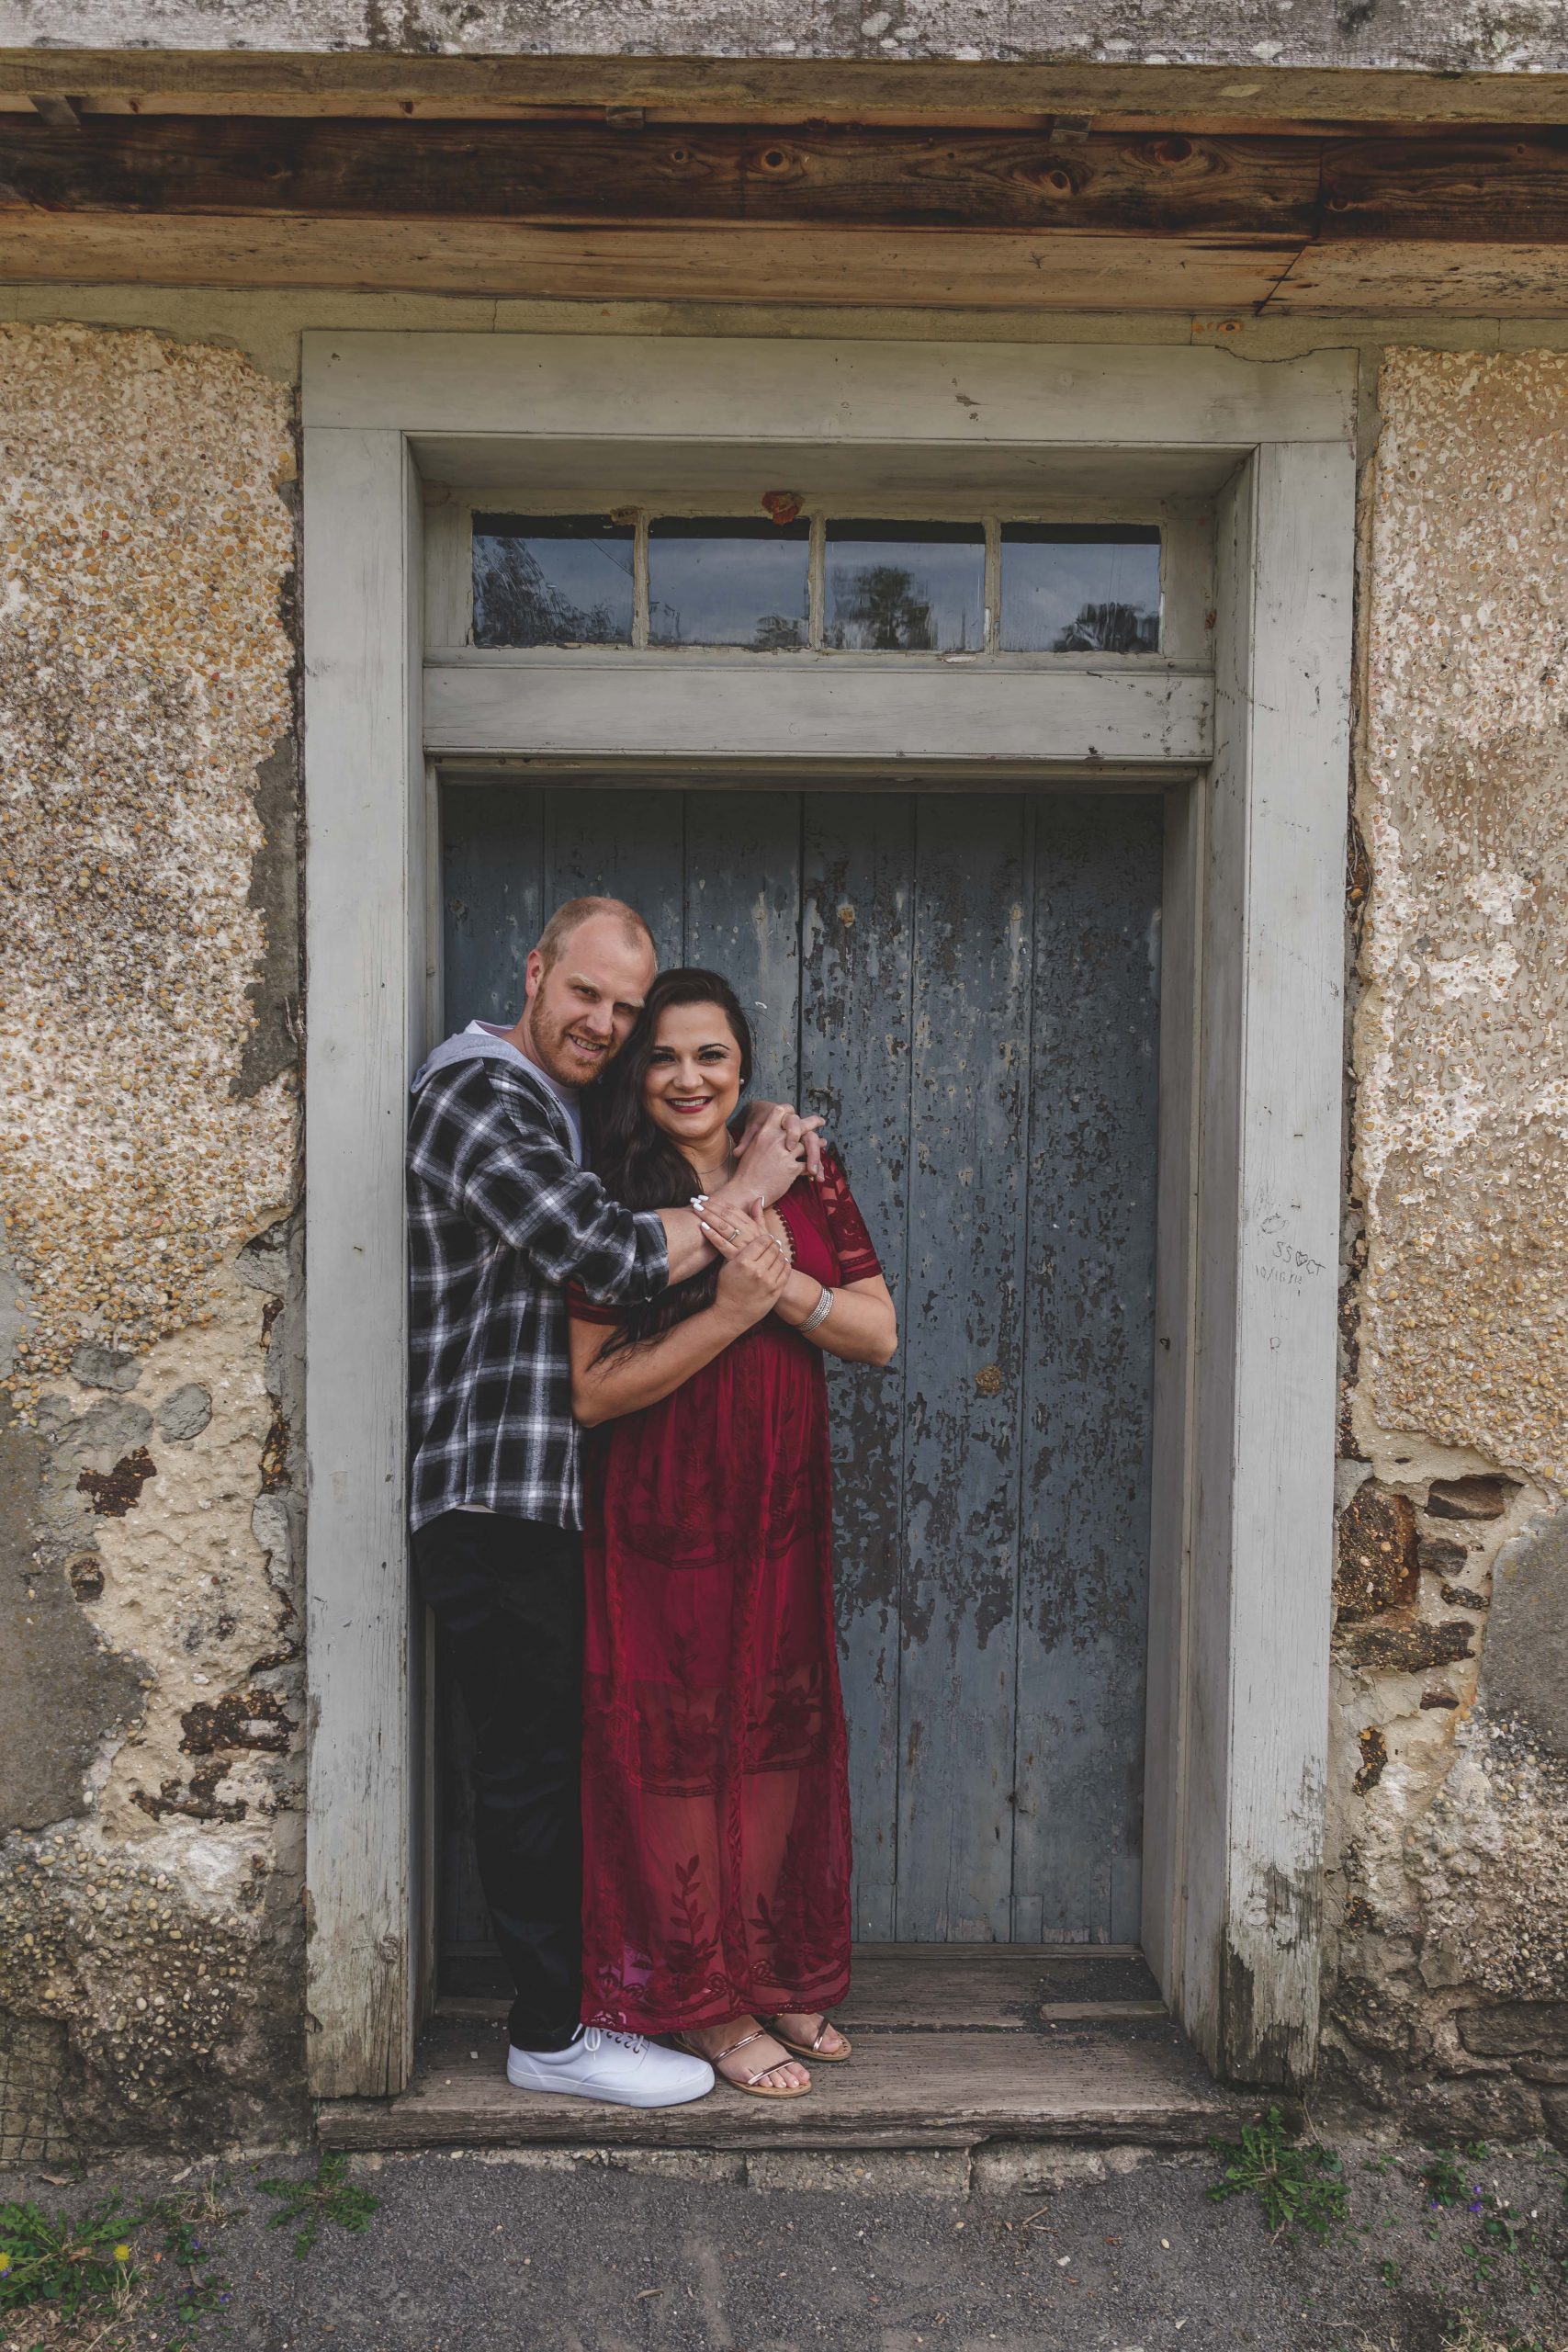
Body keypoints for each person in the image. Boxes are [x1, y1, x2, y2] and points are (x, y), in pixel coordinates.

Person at [407, 898, 820, 2110]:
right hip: (492, 1491)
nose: (604, 1023)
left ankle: (586, 2010)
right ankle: (549, 2035)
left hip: (537, 1501)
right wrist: (742, 1192)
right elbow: (607, 1256)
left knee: (546, 1761)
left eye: (624, 1009)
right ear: (531, 972)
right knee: (529, 1772)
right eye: (585, 993)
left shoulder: (545, 1105)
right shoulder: (473, 1092)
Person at [570, 968, 897, 2098]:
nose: (687, 1077)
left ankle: (768, 1965)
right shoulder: (612, 1186)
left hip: (779, 1501)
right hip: (662, 1508)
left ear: (743, 1065)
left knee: (774, 1739)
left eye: (709, 1055)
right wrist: (729, 1313)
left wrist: (787, 1291)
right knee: (671, 1749)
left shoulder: (805, 1164)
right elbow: (592, 1392)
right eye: (662, 1055)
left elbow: (877, 1331)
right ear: (637, 1071)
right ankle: (703, 2005)